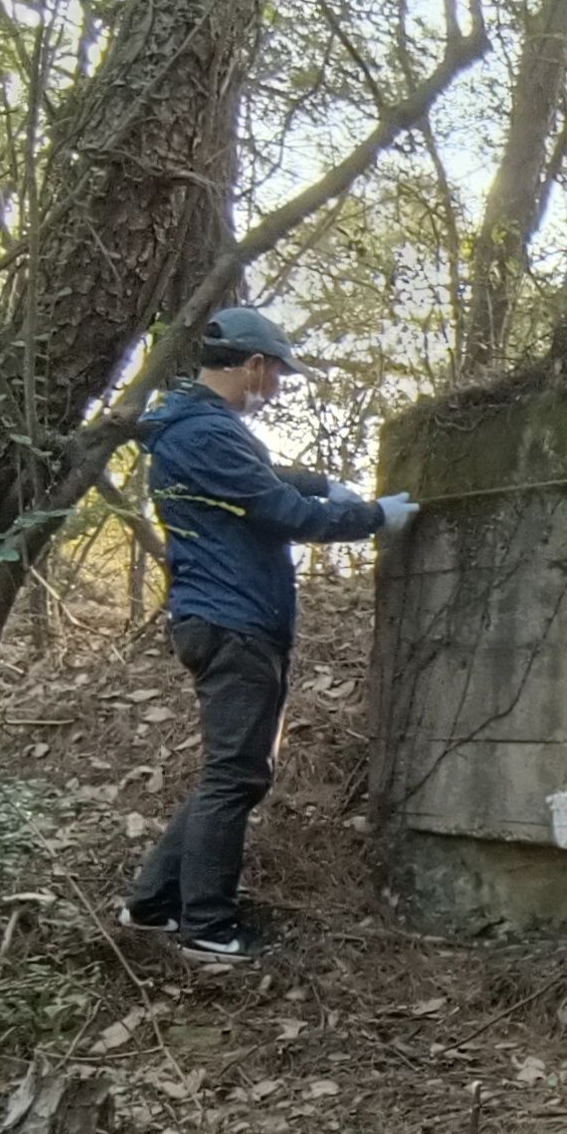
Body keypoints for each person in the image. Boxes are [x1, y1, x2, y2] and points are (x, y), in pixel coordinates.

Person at [119, 307, 412, 963]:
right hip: (235, 624)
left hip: (222, 618)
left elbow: (270, 483)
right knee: (236, 776)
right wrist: (372, 517)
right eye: (277, 374)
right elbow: (281, 511)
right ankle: (208, 927)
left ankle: (154, 902)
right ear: (254, 366)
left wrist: (322, 483)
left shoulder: (195, 428)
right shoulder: (206, 434)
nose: (276, 387)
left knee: (231, 772)